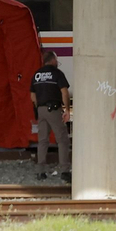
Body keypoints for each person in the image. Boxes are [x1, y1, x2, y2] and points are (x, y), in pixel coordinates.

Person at [30, 50, 72, 182]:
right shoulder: (57, 73)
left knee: (42, 141)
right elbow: (64, 92)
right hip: (53, 109)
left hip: (41, 109)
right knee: (62, 140)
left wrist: (38, 108)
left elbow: (32, 96)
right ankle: (65, 171)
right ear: (53, 60)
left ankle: (40, 172)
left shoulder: (36, 75)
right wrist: (67, 110)